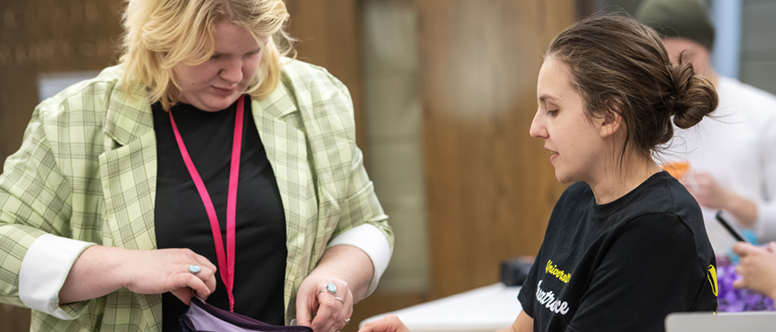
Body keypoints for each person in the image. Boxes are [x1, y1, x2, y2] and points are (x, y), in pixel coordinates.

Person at [0, 0, 394, 331]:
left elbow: (365, 224)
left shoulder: (316, 96)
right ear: (161, 42)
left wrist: (338, 276)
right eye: (212, 56)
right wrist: (127, 266)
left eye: (252, 51)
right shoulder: (74, 118)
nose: (236, 74)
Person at [359, 14, 717, 332]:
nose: (535, 128)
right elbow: (522, 330)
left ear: (609, 115)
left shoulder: (658, 229)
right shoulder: (578, 198)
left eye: (552, 110)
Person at [636, 0, 776, 254]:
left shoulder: (763, 113)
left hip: (739, 282)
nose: (674, 69)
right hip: (659, 271)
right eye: (660, 62)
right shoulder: (641, 117)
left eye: (687, 57)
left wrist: (728, 200)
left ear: (708, 48)